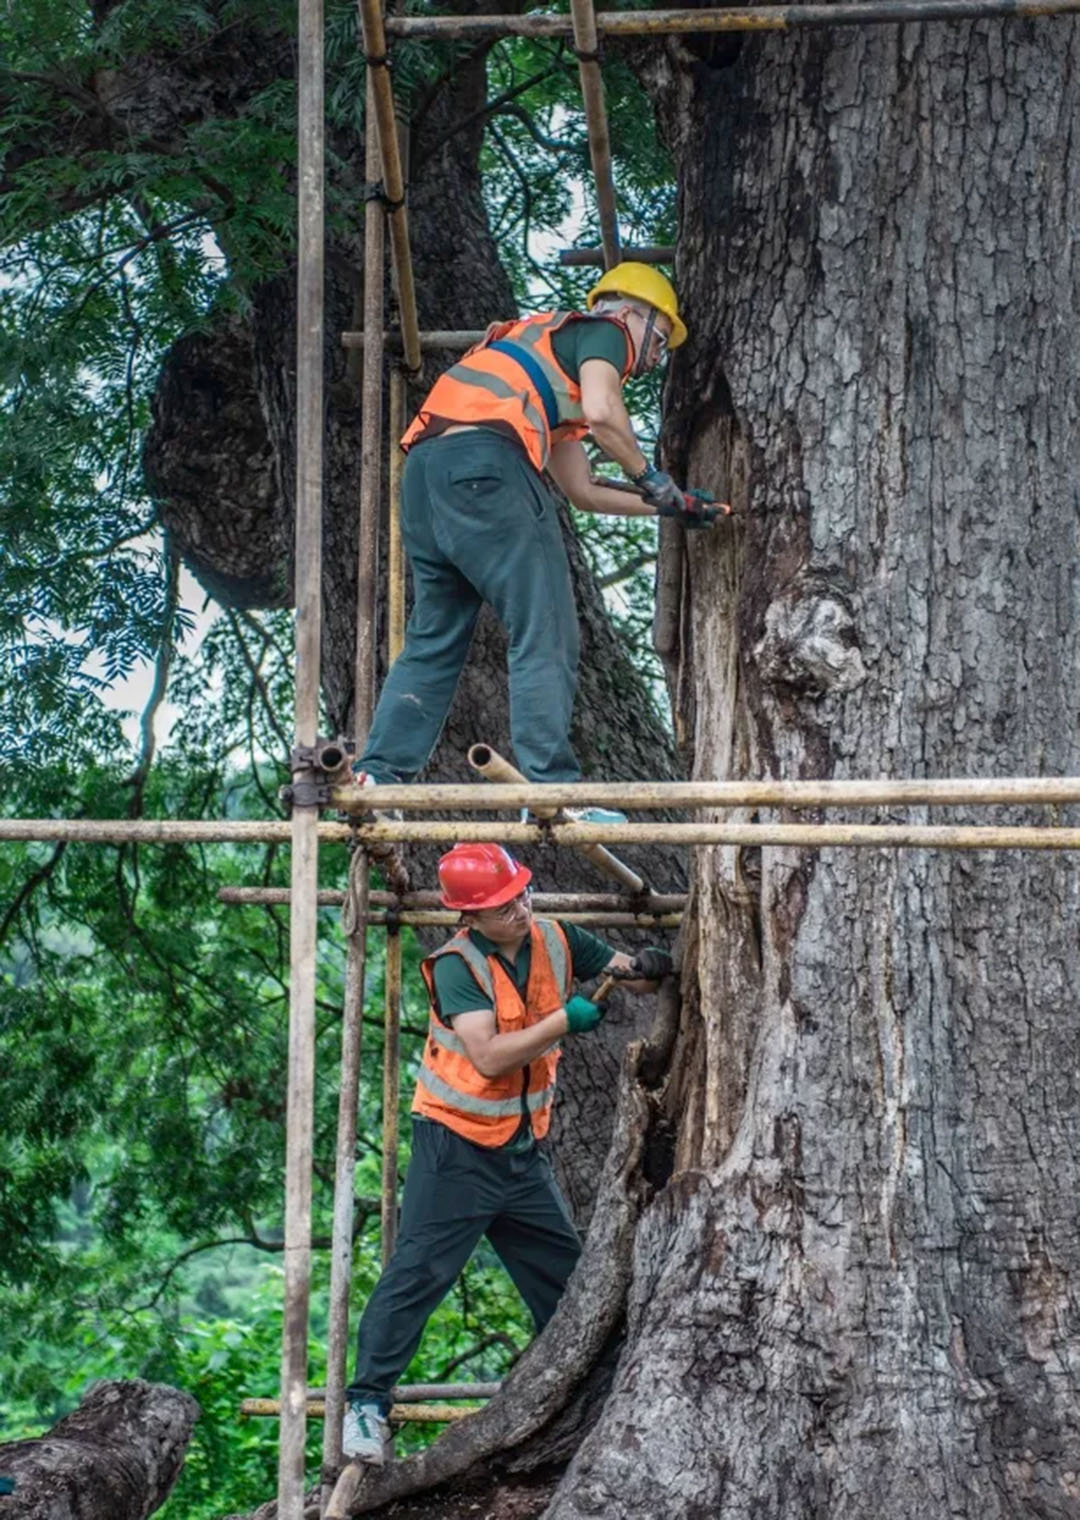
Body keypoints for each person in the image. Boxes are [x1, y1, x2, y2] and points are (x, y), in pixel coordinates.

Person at [341, 842, 674, 1464]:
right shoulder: (455, 965)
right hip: (455, 1148)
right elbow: (490, 1055)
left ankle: (603, 1393)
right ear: (469, 915)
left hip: (520, 1150)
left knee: (572, 1279)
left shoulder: (555, 937)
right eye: (500, 904)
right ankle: (365, 1406)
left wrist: (649, 967)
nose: (518, 908)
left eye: (520, 893)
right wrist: (562, 1024)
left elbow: (631, 972)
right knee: (418, 1275)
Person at [353, 262, 716, 825]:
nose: (655, 357)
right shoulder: (604, 332)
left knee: (434, 636)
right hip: (488, 467)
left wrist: (673, 507)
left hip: (428, 477)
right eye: (660, 338)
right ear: (629, 313)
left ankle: (378, 779)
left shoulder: (543, 366)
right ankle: (549, 790)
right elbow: (603, 412)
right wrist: (652, 477)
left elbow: (584, 490)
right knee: (544, 624)